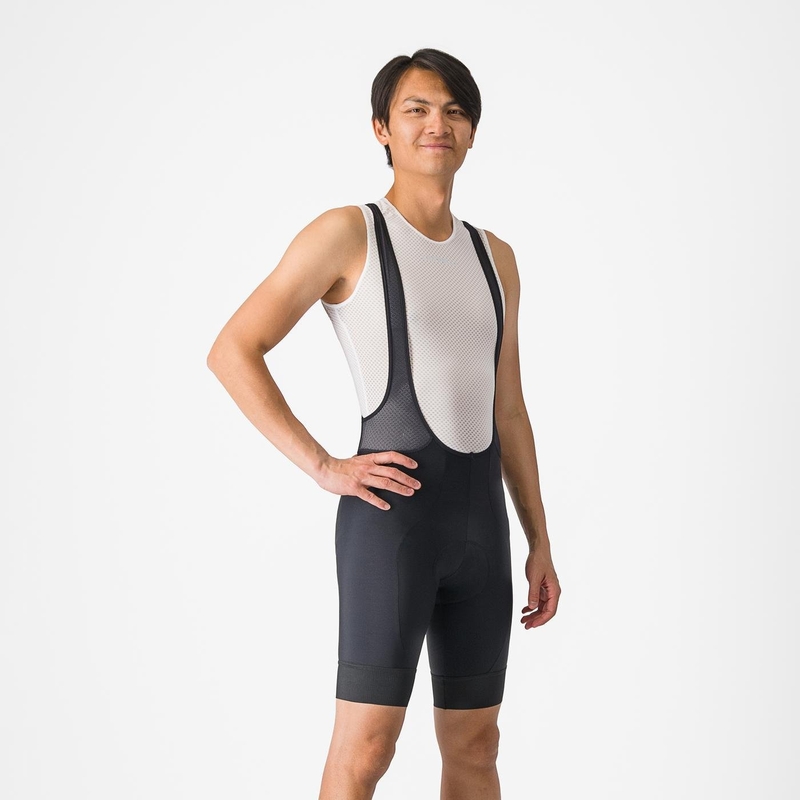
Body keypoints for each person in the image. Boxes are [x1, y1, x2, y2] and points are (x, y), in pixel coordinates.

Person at [207, 47, 561, 800]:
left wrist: (539, 539)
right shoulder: (349, 233)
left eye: (455, 111)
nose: (439, 124)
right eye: (417, 109)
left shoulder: (496, 257)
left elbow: (509, 407)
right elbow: (234, 349)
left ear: (472, 133)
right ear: (382, 129)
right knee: (367, 747)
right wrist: (323, 465)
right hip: (392, 525)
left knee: (476, 744)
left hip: (482, 530)